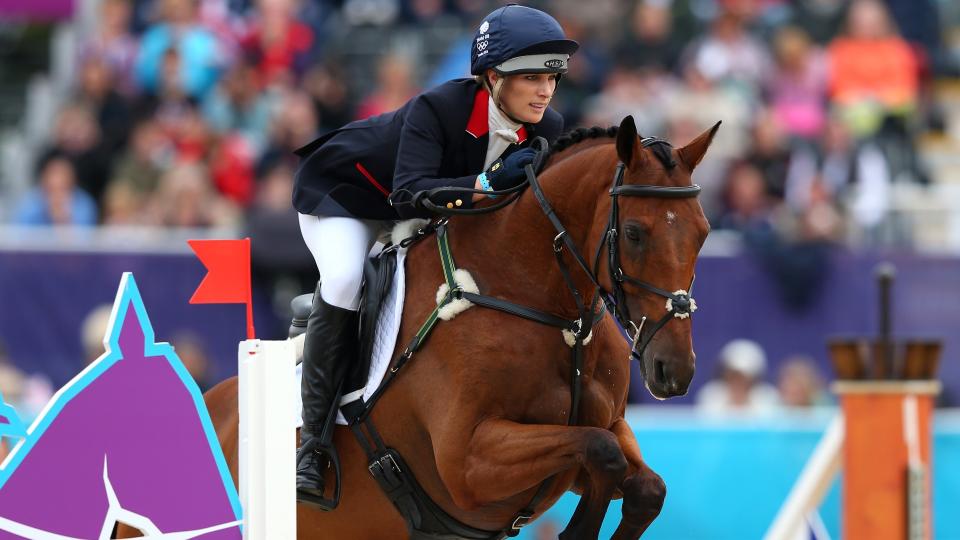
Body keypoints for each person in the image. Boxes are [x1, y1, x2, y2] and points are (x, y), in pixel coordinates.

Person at [291, 4, 578, 506]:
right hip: (347, 198)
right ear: (493, 78)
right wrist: (487, 184)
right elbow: (406, 196)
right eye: (530, 77)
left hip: (423, 209)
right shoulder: (438, 108)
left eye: (551, 77)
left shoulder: (547, 125)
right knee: (343, 280)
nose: (544, 91)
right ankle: (312, 446)